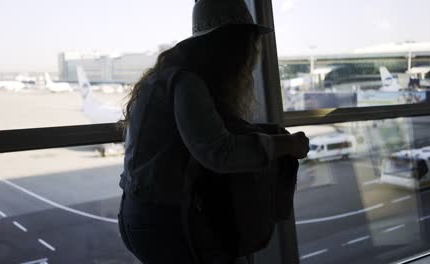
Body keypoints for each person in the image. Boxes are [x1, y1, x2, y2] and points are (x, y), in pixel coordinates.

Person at [117, 0, 310, 263]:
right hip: (166, 222)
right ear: (232, 45)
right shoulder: (187, 83)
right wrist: (285, 145)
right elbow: (218, 151)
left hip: (146, 213)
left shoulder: (169, 77)